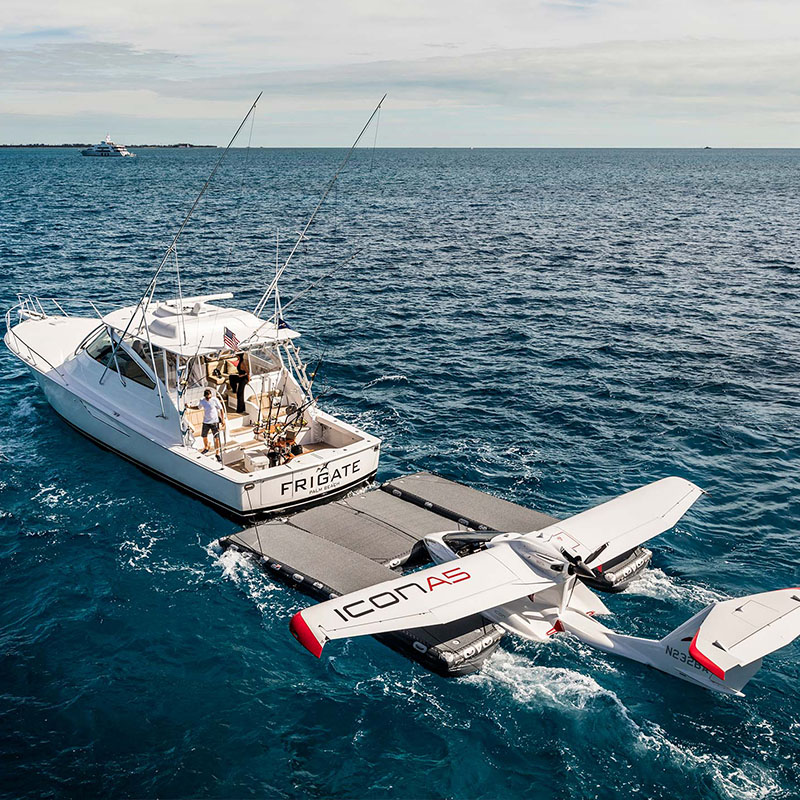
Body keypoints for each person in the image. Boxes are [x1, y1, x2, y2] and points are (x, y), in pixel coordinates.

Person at [199, 388, 226, 462]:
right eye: (207, 397)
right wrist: (189, 407)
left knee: (216, 438)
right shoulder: (202, 400)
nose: (208, 399)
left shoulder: (215, 400)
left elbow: (221, 409)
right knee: (204, 436)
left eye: (209, 397)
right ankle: (207, 447)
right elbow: (198, 407)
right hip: (206, 422)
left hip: (215, 421)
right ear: (205, 396)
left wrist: (223, 420)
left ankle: (217, 454)